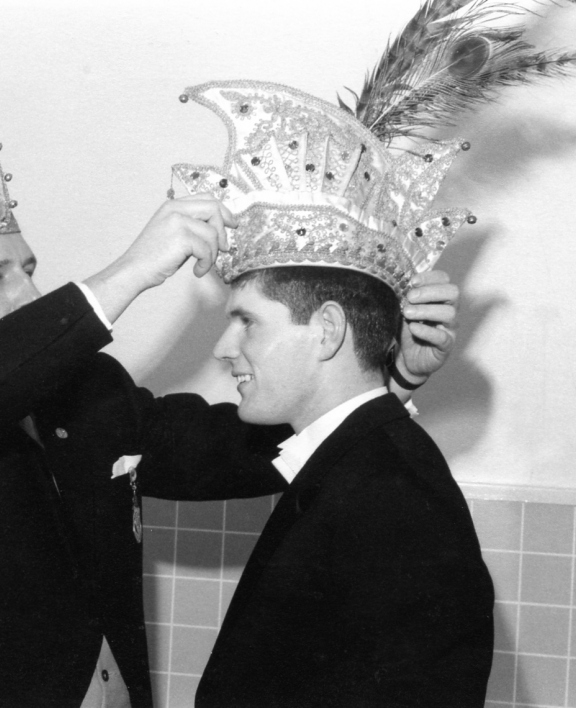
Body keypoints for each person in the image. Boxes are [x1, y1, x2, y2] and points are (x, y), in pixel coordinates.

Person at [0, 69, 459, 707]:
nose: (30, 292)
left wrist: (387, 376)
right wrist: (130, 271)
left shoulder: (85, 390)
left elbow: (227, 449)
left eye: (28, 269)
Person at [144, 80, 494, 707]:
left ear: (327, 330)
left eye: (247, 320)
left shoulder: (394, 497)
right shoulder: (351, 463)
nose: (223, 347)